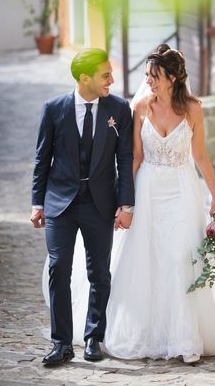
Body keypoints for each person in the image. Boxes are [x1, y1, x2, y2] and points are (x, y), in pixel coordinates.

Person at [43, 44, 215, 364]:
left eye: (155, 76)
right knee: (146, 259)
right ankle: (138, 330)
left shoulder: (193, 108)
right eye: (148, 76)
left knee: (180, 258)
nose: (149, 81)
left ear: (171, 77)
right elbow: (134, 157)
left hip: (182, 190)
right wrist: (124, 202)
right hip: (148, 188)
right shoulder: (140, 106)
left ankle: (184, 336)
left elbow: (200, 156)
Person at [31, 48, 134, 366]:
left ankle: (93, 338)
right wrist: (37, 202)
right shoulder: (54, 109)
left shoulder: (119, 108)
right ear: (84, 78)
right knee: (58, 267)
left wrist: (126, 203)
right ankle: (61, 343)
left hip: (100, 203)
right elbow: (42, 158)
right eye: (106, 75)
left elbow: (124, 158)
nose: (112, 80)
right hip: (60, 202)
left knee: (99, 273)